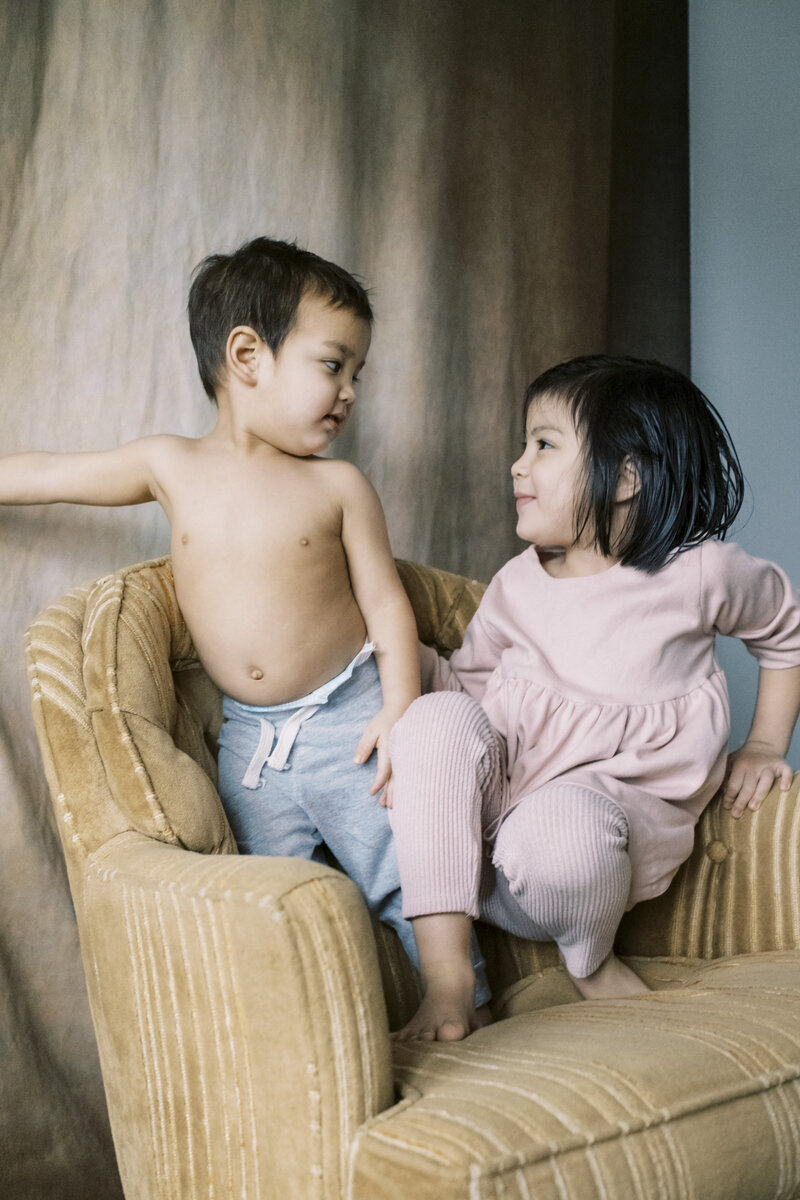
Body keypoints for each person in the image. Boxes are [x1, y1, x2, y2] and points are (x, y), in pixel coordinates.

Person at [0, 235, 429, 968]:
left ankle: (462, 1001)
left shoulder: (338, 487)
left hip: (346, 720)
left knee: (403, 869)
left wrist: (400, 711)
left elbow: (389, 608)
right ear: (246, 356)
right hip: (251, 744)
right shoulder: (171, 464)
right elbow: (50, 473)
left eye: (358, 372)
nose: (352, 390)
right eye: (334, 365)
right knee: (263, 902)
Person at [388, 354, 800, 1041]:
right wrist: (388, 650)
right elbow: (470, 692)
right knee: (433, 718)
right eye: (524, 445)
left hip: (587, 858)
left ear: (627, 477)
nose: (519, 465)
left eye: (544, 445)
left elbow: (785, 632)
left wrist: (762, 745)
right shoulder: (518, 583)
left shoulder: (700, 574)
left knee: (562, 828)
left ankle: (590, 962)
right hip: (484, 852)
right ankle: (449, 978)